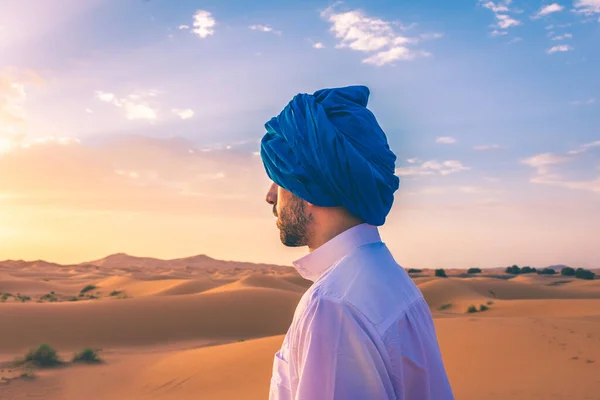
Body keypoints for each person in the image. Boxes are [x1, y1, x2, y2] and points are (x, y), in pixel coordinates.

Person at [261, 85, 454, 400]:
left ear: (308, 187)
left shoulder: (333, 307)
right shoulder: (387, 278)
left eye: (279, 179)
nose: (270, 196)